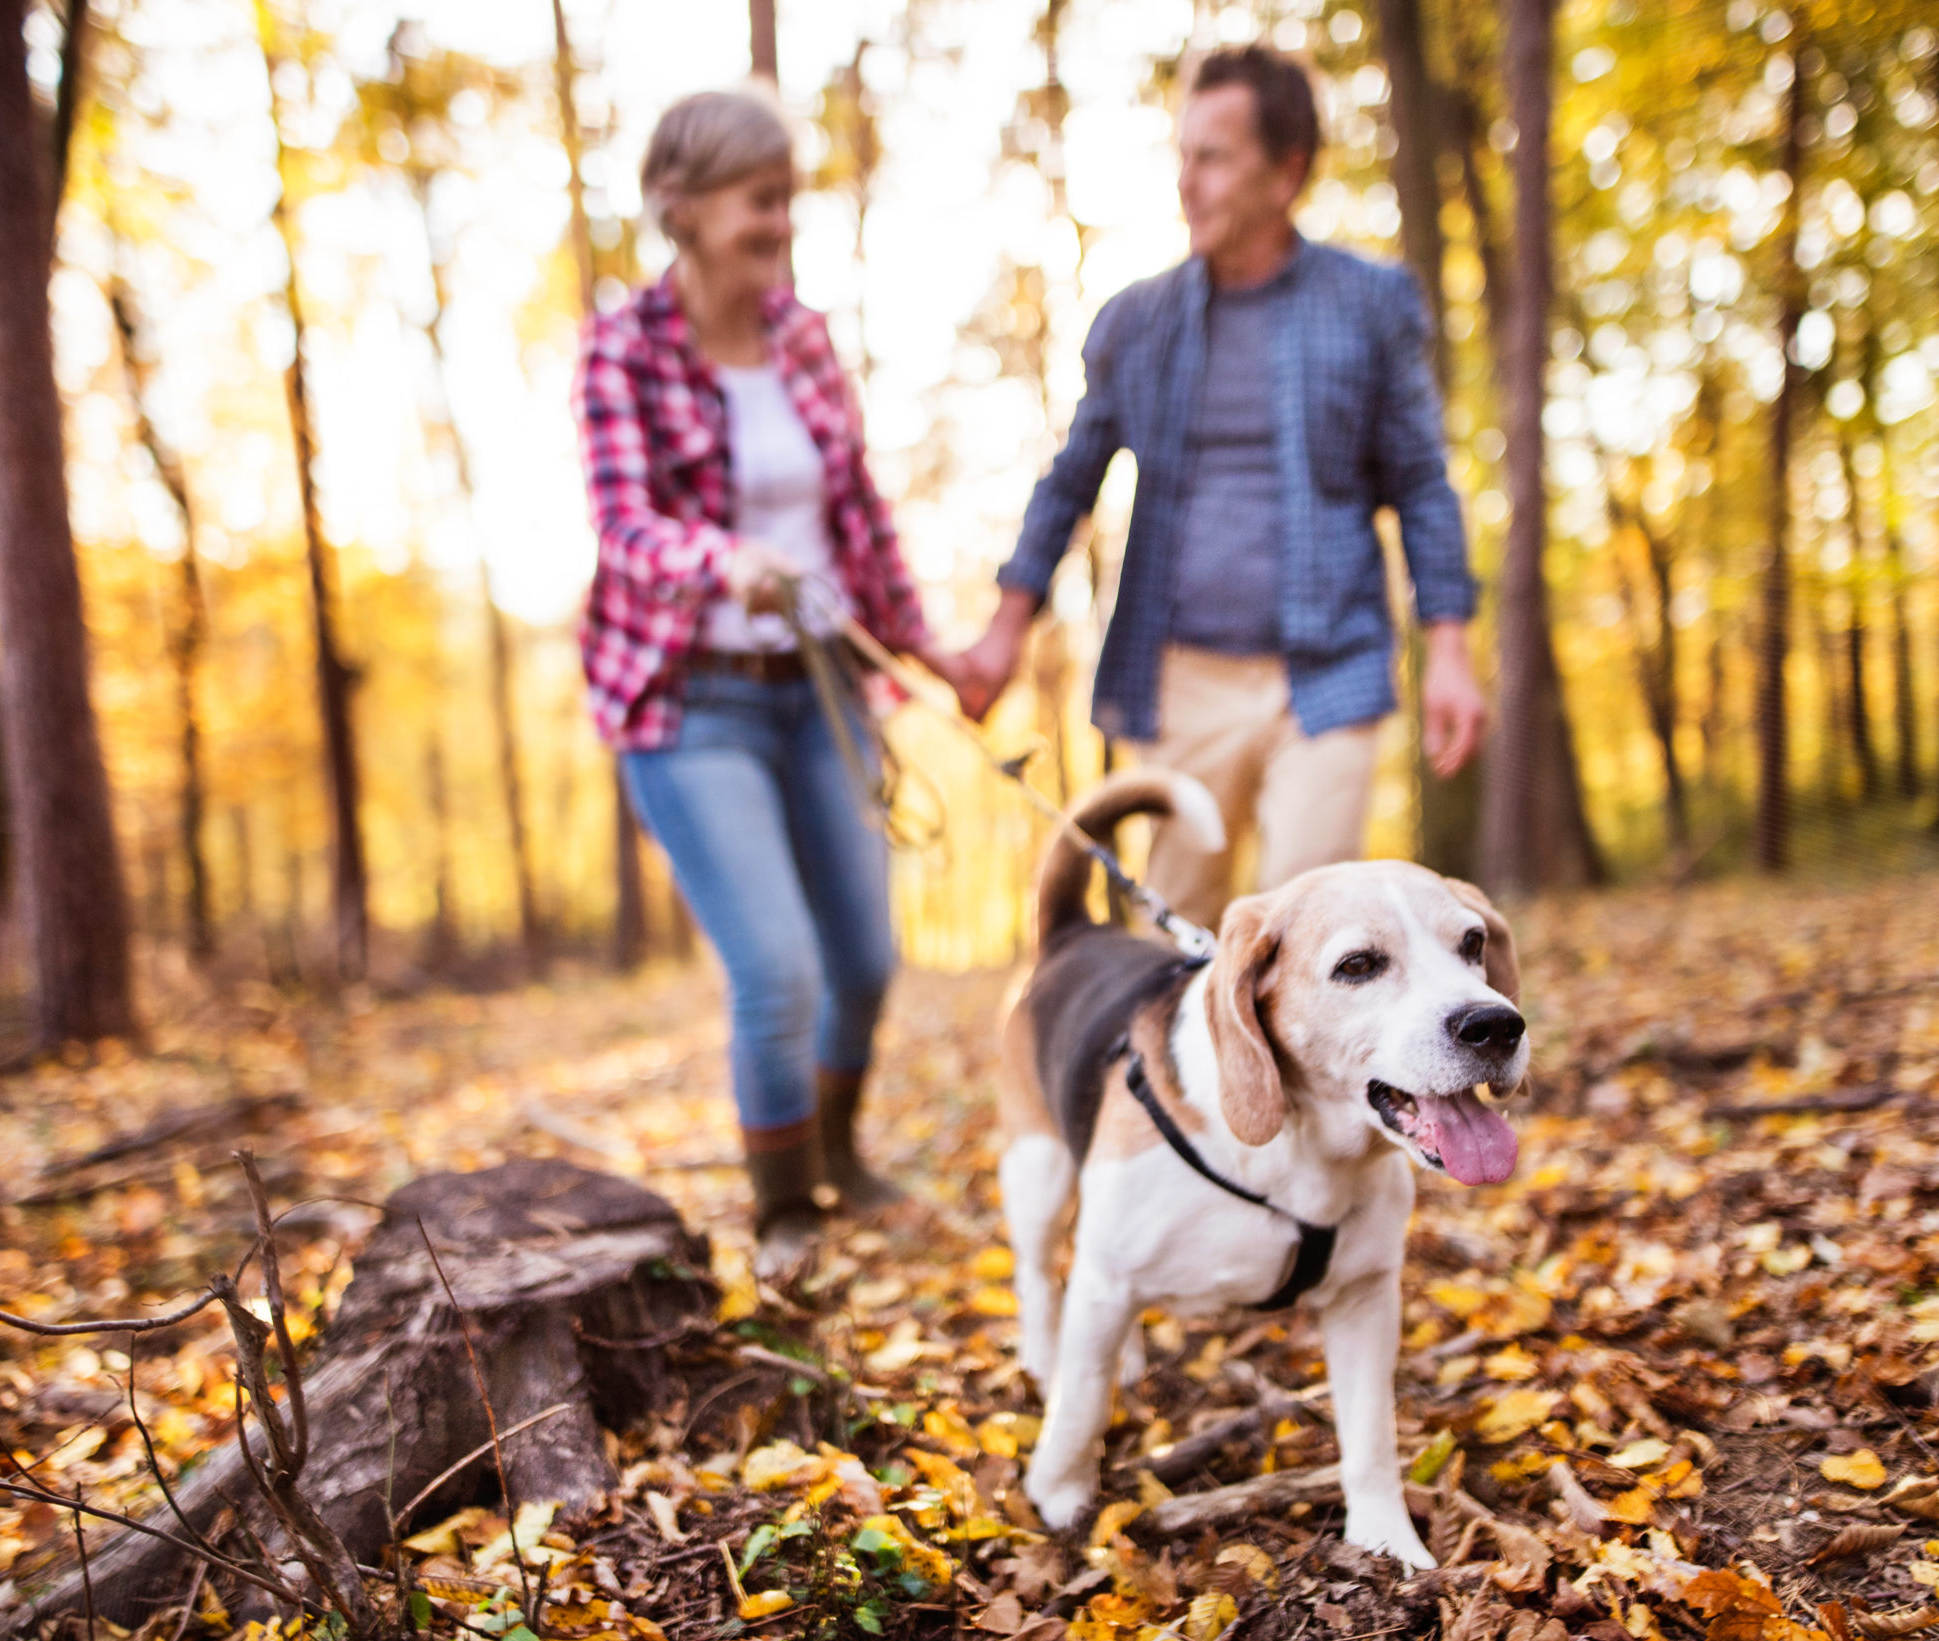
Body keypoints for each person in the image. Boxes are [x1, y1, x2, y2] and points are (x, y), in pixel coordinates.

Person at [954, 45, 1487, 931]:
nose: (1187, 183)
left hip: (1330, 673)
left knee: (1312, 932)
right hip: (1182, 677)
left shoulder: (1370, 305)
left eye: (1212, 157)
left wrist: (1453, 653)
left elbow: (1424, 487)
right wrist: (1005, 630)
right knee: (1179, 936)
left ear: (1287, 173)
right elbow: (1070, 481)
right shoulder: (1136, 322)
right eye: (1181, 156)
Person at [574, 88, 961, 1276]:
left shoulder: (802, 338)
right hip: (690, 702)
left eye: (786, 199)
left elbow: (857, 516)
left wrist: (930, 650)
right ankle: (784, 1211)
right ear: (680, 209)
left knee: (862, 962)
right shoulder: (621, 347)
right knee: (778, 969)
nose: (778, 222)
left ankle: (839, 1158)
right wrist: (719, 558)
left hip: (824, 692)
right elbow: (624, 525)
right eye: (758, 200)